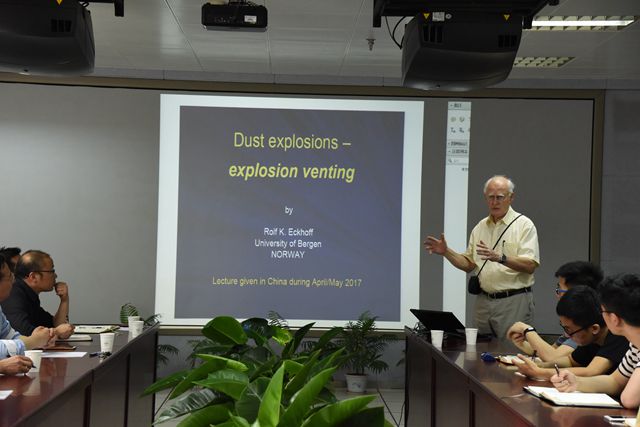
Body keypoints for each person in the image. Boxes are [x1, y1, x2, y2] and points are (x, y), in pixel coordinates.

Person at [424, 175, 540, 338]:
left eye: (500, 197)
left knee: (511, 350)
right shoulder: (480, 227)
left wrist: (500, 258)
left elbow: (530, 265)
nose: (495, 202)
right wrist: (446, 252)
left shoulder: (524, 225)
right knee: (480, 349)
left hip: (513, 300)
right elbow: (468, 265)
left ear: (511, 198)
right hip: (483, 301)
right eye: (490, 197)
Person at [552, 274, 640, 409]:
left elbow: (629, 399)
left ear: (614, 319)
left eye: (603, 312)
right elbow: (615, 381)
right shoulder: (634, 345)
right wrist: (576, 382)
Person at [514, 286, 627, 380]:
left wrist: (539, 372)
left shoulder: (618, 336)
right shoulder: (591, 338)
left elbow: (591, 371)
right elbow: (570, 361)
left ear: (594, 329)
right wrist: (540, 365)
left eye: (570, 330)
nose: (567, 335)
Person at [507, 261, 604, 360]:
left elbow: (553, 358)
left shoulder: (585, 322)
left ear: (576, 292)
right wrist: (522, 344)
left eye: (559, 290)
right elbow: (552, 350)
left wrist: (527, 330)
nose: (557, 295)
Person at [0, 254, 55, 375]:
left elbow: (10, 335)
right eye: (10, 276)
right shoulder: (16, 295)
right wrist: (33, 341)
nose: (13, 280)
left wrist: (40, 338)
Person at [1, 250, 74, 339]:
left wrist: (64, 300)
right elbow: (23, 334)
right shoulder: (13, 294)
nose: (55, 275)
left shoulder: (30, 294)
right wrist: (56, 332)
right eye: (51, 271)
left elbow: (54, 324)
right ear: (33, 276)